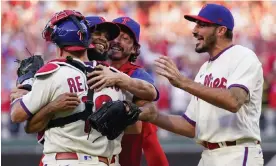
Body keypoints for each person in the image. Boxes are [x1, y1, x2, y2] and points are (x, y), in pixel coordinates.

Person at [139, 3, 264, 166]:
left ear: (221, 30)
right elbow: (190, 126)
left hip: (237, 152)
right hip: (208, 155)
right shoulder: (205, 69)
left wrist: (183, 82)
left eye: (202, 25)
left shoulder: (243, 56)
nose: (195, 30)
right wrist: (155, 116)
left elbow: (234, 101)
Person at [10, 12, 136, 166]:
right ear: (86, 38)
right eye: (97, 33)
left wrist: (25, 87)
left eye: (106, 35)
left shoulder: (54, 72)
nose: (103, 38)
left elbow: (18, 116)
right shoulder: (118, 77)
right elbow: (140, 118)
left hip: (66, 160)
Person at [88, 16, 168, 166]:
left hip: (128, 152)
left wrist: (119, 79)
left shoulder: (137, 73)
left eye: (125, 38)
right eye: (115, 36)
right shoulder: (94, 66)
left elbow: (150, 97)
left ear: (134, 49)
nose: (117, 41)